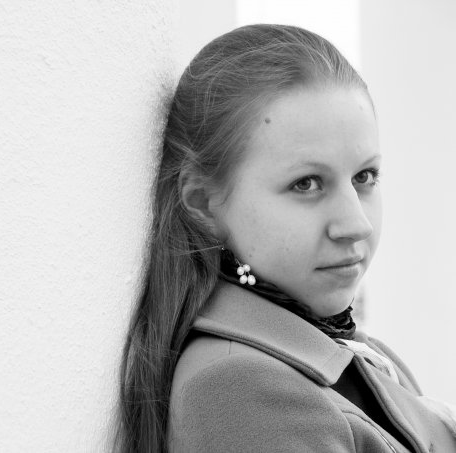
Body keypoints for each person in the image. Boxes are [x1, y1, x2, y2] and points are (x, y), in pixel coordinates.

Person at [114, 24, 456, 452]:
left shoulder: (345, 349)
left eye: (364, 176)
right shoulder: (240, 389)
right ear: (203, 202)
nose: (356, 224)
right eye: (306, 184)